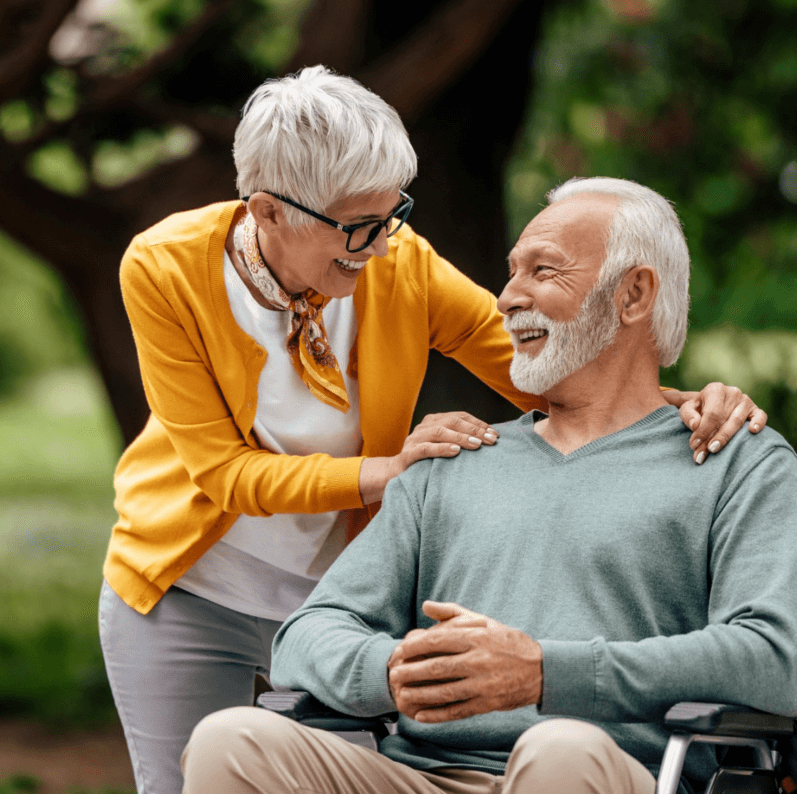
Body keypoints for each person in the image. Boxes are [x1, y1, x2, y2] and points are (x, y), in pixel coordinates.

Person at [99, 68, 765, 794]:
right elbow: (226, 473)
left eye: (392, 216)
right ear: (268, 211)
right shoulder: (166, 267)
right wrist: (393, 471)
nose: (380, 245)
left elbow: (536, 358)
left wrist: (677, 403)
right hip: (196, 583)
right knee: (193, 767)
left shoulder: (398, 261)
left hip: (337, 577)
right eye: (357, 225)